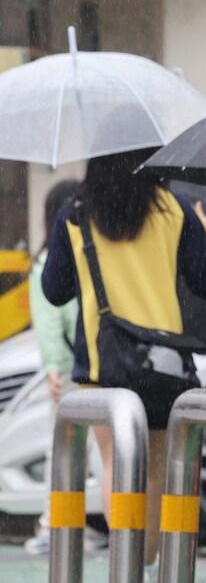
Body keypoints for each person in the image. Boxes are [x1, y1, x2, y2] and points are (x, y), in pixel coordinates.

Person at [41, 149, 206, 574]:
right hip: (162, 365)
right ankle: (148, 567)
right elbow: (205, 282)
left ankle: (126, 568)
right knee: (155, 472)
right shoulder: (173, 208)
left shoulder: (76, 213)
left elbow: (55, 291)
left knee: (114, 465)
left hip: (104, 366)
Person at [23, 180, 81, 556]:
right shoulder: (64, 260)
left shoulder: (53, 262)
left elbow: (50, 321)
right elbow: (55, 320)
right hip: (80, 368)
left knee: (65, 451)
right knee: (74, 451)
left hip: (73, 369)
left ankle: (60, 523)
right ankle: (57, 523)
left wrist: (54, 367)